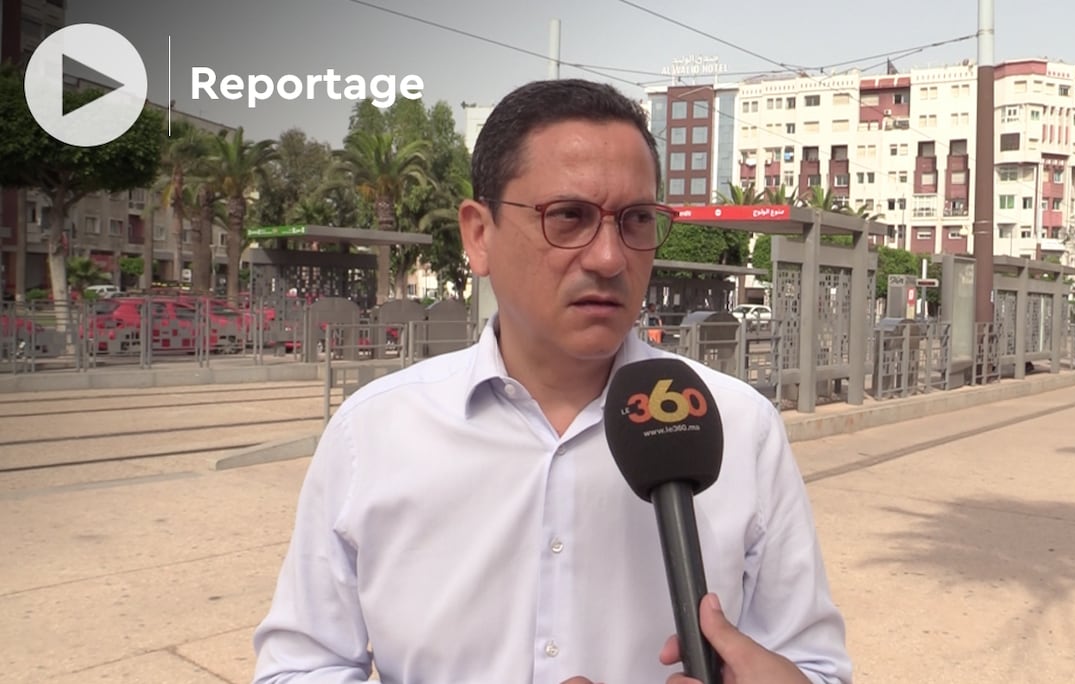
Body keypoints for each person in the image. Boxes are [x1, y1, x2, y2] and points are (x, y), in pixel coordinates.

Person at [252, 78, 851, 684]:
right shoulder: (373, 432)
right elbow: (302, 667)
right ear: (479, 235)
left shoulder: (739, 425)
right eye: (569, 217)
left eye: (637, 220)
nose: (609, 258)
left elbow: (813, 666)